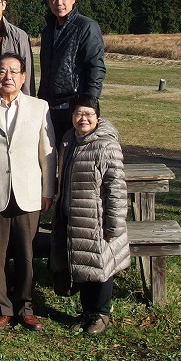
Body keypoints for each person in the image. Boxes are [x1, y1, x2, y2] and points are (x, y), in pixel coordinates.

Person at [0, 52, 56, 331]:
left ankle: (25, 306)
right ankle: (2, 308)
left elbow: (47, 153)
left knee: (26, 254)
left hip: (29, 192)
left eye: (14, 71)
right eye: (2, 71)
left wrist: (48, 190)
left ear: (24, 77)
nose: (8, 77)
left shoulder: (39, 107)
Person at [49, 94, 129, 335]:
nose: (83, 119)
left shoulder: (106, 145)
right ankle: (87, 312)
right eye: (78, 114)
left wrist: (114, 224)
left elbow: (116, 189)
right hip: (73, 217)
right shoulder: (69, 140)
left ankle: (101, 313)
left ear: (97, 117)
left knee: (102, 268)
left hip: (98, 219)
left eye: (89, 114)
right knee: (83, 266)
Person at [37, 0, 106, 143]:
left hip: (74, 106)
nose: (59, 3)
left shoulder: (85, 27)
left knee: (74, 154)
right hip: (49, 107)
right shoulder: (48, 31)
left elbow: (96, 67)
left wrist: (89, 104)